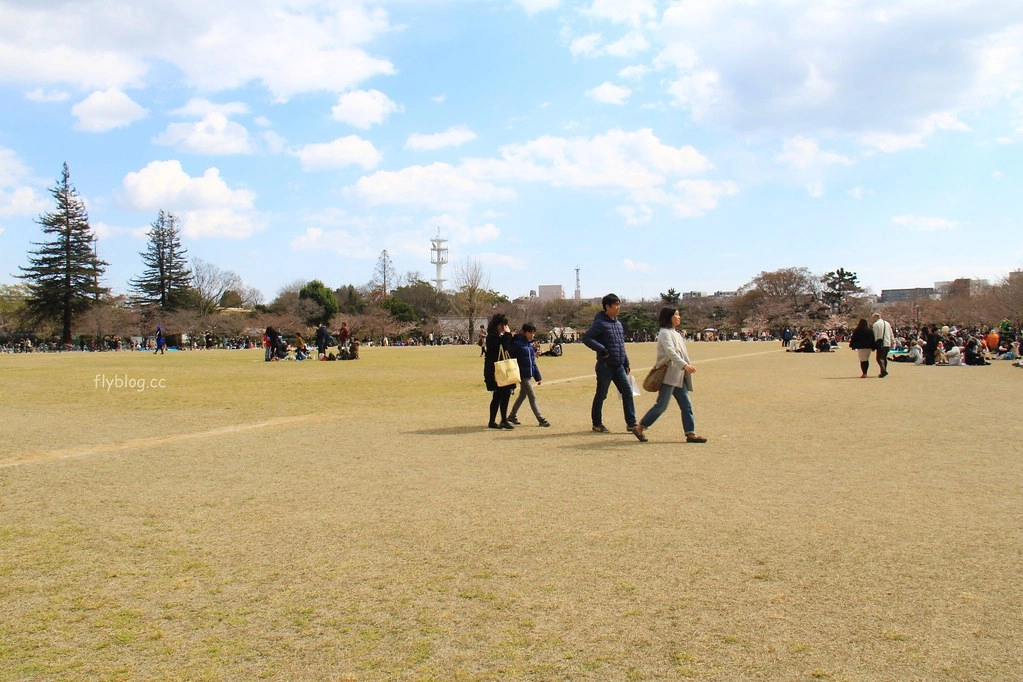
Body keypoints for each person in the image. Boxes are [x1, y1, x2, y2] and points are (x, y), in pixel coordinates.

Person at [633, 307, 706, 444]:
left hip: (679, 376)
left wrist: (684, 367)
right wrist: (684, 365)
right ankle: (640, 427)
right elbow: (671, 353)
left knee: (686, 405)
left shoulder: (675, 333)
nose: (679, 317)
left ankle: (690, 433)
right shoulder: (664, 333)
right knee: (661, 406)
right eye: (676, 315)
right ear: (669, 317)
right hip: (669, 376)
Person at [581, 293, 637, 434]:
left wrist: (626, 362)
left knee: (628, 392)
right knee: (601, 395)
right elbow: (586, 338)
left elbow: (620, 345)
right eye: (616, 305)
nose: (618, 307)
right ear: (607, 307)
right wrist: (602, 349)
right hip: (605, 366)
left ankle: (631, 423)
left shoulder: (618, 323)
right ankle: (597, 423)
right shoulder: (600, 323)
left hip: (618, 366)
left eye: (619, 304)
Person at [507, 323, 550, 428]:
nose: (532, 335)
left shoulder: (528, 344)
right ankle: (541, 419)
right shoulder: (517, 343)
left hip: (528, 374)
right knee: (532, 396)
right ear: (524, 332)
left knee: (523, 395)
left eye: (533, 333)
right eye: (530, 332)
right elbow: (508, 354)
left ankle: (512, 416)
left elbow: (533, 363)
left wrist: (538, 377)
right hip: (522, 375)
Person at [483, 313, 515, 429]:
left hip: (497, 369)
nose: (504, 327)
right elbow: (504, 347)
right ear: (498, 325)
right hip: (496, 370)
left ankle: (493, 421)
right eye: (503, 325)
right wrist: (507, 334)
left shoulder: (495, 336)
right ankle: (503, 420)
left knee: (497, 395)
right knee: (504, 394)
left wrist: (507, 335)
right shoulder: (492, 337)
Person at [870, 312, 894, 378]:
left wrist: (873, 344)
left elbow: (874, 335)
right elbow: (891, 333)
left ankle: (883, 371)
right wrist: (892, 342)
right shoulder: (887, 323)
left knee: (879, 358)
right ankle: (884, 370)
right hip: (887, 342)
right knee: (884, 358)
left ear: (875, 317)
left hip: (880, 343)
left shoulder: (876, 324)